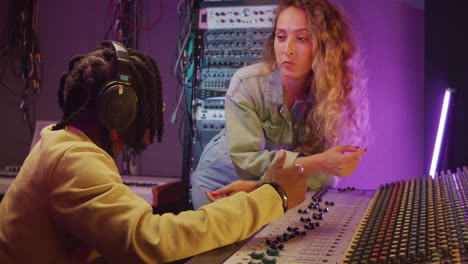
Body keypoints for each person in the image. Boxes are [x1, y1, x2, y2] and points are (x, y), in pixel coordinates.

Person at [0, 41, 307, 264]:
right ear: (119, 110)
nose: (155, 112)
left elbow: (123, 222)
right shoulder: (73, 159)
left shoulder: (63, 143)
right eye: (148, 103)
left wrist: (251, 193)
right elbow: (148, 241)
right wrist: (273, 196)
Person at [192, 0, 370, 209]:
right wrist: (320, 163)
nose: (288, 49)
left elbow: (324, 177)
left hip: (267, 187)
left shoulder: (330, 94)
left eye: (302, 38)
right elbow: (248, 164)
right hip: (220, 185)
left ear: (325, 45)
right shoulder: (246, 84)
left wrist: (264, 185)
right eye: (281, 37)